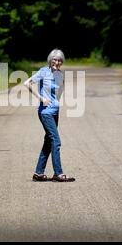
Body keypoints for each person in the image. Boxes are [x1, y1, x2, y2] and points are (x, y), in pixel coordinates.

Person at [23, 49, 76, 182]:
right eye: (54, 59)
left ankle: (38, 173)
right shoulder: (43, 71)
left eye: (59, 60)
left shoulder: (60, 74)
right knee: (56, 141)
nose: (57, 62)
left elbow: (60, 89)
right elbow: (27, 83)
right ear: (50, 59)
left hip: (54, 111)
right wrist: (41, 99)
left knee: (49, 141)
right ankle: (58, 173)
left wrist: (56, 102)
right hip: (45, 112)